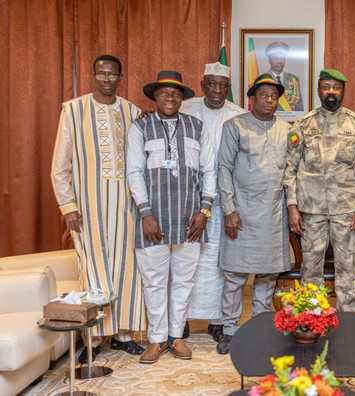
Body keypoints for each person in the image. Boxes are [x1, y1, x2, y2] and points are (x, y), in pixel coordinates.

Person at [51, 54, 146, 363]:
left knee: (127, 269)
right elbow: (59, 166)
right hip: (87, 210)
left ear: (120, 76)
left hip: (126, 208)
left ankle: (123, 336)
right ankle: (92, 338)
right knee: (92, 270)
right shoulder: (74, 110)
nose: (107, 79)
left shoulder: (132, 112)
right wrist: (68, 205)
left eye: (112, 74)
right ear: (94, 75)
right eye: (101, 73)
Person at [126, 70, 216, 364]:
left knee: (184, 281)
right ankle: (156, 339)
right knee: (153, 281)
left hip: (190, 221)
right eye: (164, 92)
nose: (170, 97)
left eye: (176, 93)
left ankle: (175, 336)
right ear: (155, 96)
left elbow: (209, 171)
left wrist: (204, 211)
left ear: (182, 98)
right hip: (153, 221)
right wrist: (145, 213)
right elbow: (134, 172)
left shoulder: (197, 127)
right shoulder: (139, 128)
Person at [284, 68, 355, 313]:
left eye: (336, 87)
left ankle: (347, 325)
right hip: (311, 211)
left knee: (347, 269)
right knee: (310, 269)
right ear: (319, 90)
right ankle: (312, 320)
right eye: (326, 87)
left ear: (343, 91)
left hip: (346, 212)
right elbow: (290, 168)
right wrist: (292, 207)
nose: (331, 92)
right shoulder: (303, 125)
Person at [216, 74, 291, 355]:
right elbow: (223, 168)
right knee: (235, 276)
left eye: (274, 96)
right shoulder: (235, 126)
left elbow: (291, 170)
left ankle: (261, 327)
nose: (270, 100)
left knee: (267, 277)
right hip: (242, 213)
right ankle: (229, 330)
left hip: (274, 212)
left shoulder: (286, 129)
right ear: (252, 99)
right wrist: (229, 209)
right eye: (264, 95)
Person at [180, 62, 245, 343]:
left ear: (228, 88)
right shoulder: (184, 108)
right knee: (185, 259)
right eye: (212, 84)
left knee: (220, 261)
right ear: (202, 84)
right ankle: (179, 318)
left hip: (223, 201)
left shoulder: (240, 115)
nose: (217, 90)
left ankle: (218, 320)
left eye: (223, 86)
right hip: (187, 197)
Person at [265, 41, 303, 111]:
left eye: (282, 58)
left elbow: (299, 108)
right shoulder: (263, 80)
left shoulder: (294, 80)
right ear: (269, 60)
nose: (279, 61)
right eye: (275, 58)